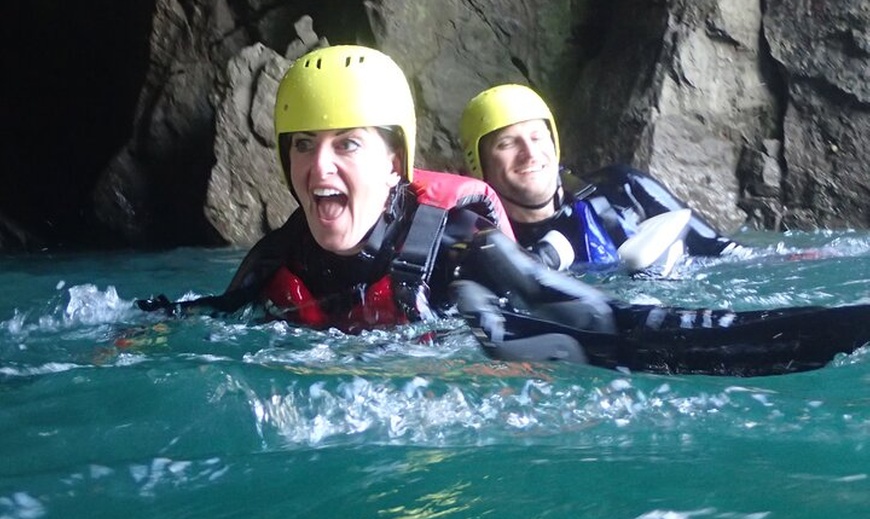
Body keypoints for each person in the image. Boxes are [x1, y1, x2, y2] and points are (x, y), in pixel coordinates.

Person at [138, 46, 870, 377]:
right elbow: (197, 317)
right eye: (301, 146)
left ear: (396, 161)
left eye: (346, 145)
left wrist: (834, 328)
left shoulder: (460, 248)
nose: (318, 166)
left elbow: (598, 321)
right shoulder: (272, 265)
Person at [459, 83, 748, 275]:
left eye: (537, 137)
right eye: (507, 144)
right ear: (478, 163)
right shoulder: (474, 239)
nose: (530, 153)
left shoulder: (622, 189)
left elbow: (726, 253)